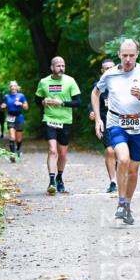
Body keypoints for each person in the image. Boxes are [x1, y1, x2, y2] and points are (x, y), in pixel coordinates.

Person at [91, 39, 140, 225]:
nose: (128, 59)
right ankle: (120, 202)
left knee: (134, 170)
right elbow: (95, 93)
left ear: (137, 54)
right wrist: (98, 119)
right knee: (123, 159)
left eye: (131, 55)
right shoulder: (110, 74)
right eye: (124, 55)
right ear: (119, 54)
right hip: (116, 122)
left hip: (138, 124)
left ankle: (127, 204)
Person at [35, 56, 80, 195]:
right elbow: (37, 99)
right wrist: (43, 102)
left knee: (62, 153)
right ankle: (51, 180)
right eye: (58, 65)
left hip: (65, 120)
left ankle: (60, 177)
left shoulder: (70, 81)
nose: (61, 68)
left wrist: (62, 103)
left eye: (63, 66)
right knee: (52, 150)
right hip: (49, 119)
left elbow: (78, 102)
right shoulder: (43, 82)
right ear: (52, 67)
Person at [88, 58, 118, 193]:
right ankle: (113, 181)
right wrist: (92, 113)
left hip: (121, 121)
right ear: (102, 71)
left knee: (120, 152)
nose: (109, 70)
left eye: (112, 67)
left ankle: (119, 175)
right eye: (106, 68)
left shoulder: (121, 83)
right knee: (110, 150)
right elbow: (92, 103)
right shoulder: (98, 85)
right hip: (105, 121)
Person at [2, 80, 29, 162]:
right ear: (9, 88)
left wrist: (21, 104)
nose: (13, 87)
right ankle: (12, 154)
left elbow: (26, 107)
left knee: (18, 139)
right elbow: (4, 105)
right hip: (10, 117)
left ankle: (18, 149)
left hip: (19, 117)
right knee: (12, 136)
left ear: (17, 87)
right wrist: (3, 106)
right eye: (11, 86)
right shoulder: (7, 96)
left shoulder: (21, 96)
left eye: (14, 86)